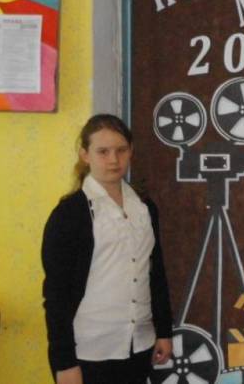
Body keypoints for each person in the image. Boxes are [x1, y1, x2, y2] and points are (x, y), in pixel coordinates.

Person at [42, 114, 173, 384]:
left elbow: (155, 273)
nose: (113, 160)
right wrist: (64, 362)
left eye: (121, 150)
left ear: (131, 151)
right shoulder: (69, 214)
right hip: (89, 350)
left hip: (139, 344)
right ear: (85, 155)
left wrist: (163, 331)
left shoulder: (145, 208)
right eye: (103, 151)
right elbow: (56, 294)